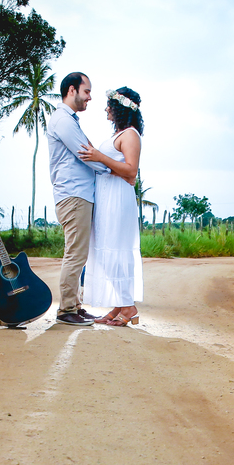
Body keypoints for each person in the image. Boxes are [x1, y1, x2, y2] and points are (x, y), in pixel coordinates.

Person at [44, 72, 109, 326]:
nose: (90, 97)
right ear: (72, 90)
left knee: (79, 254)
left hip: (78, 195)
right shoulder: (63, 120)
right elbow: (86, 153)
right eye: (87, 91)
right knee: (75, 254)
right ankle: (66, 309)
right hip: (74, 196)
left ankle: (75, 305)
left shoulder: (69, 120)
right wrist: (112, 169)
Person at [78, 87, 144, 327]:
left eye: (109, 105)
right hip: (106, 198)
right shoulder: (119, 134)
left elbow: (131, 171)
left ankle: (129, 307)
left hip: (118, 199)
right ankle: (120, 304)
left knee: (114, 251)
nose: (106, 109)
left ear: (119, 108)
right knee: (106, 251)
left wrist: (99, 156)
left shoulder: (131, 135)